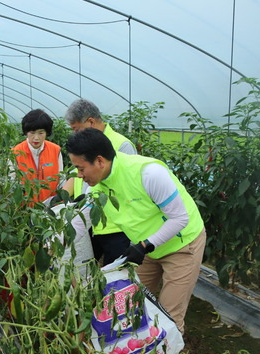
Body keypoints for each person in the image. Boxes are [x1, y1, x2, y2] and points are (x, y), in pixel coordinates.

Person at [65, 128, 206, 334]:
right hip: (148, 248)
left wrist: (143, 246)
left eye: (81, 168)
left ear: (100, 161)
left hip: (182, 245)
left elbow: (180, 218)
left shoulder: (148, 173)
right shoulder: (97, 188)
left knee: (169, 318)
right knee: (129, 306)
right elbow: (79, 223)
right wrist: (56, 242)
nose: (79, 175)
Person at [63, 99, 137, 265]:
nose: (75, 134)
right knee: (83, 268)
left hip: (115, 226)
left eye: (76, 129)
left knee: (115, 275)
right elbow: (76, 173)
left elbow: (130, 186)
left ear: (90, 122)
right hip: (88, 218)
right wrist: (62, 196)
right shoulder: (82, 145)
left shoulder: (121, 144)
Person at [12, 109, 63, 203]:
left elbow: (61, 181)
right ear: (26, 132)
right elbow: (12, 184)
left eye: (41, 133)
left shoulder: (55, 150)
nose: (36, 138)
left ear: (47, 133)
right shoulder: (16, 152)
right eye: (32, 133)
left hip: (50, 207)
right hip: (25, 209)